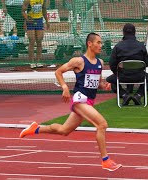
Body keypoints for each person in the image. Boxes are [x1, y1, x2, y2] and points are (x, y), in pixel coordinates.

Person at [19, 33, 122, 171]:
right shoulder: (78, 61)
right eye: (98, 42)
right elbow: (58, 72)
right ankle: (105, 160)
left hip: (89, 101)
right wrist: (65, 87)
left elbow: (96, 83)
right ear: (89, 44)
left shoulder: (100, 63)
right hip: (79, 100)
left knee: (64, 130)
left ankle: (36, 129)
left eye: (101, 43)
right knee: (102, 124)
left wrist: (104, 86)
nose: (100, 45)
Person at [106, 23, 148, 106]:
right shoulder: (141, 46)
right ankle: (138, 95)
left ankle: (124, 95)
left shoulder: (118, 46)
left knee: (110, 80)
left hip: (122, 76)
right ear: (135, 33)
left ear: (123, 33)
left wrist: (117, 73)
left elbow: (112, 63)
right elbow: (147, 62)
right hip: (139, 76)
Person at [22, 0, 49, 68]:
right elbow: (23, 11)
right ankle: (31, 62)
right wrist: (26, 19)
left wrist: (47, 21)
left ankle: (38, 61)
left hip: (39, 20)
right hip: (30, 21)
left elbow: (44, 10)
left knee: (39, 41)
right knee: (32, 40)